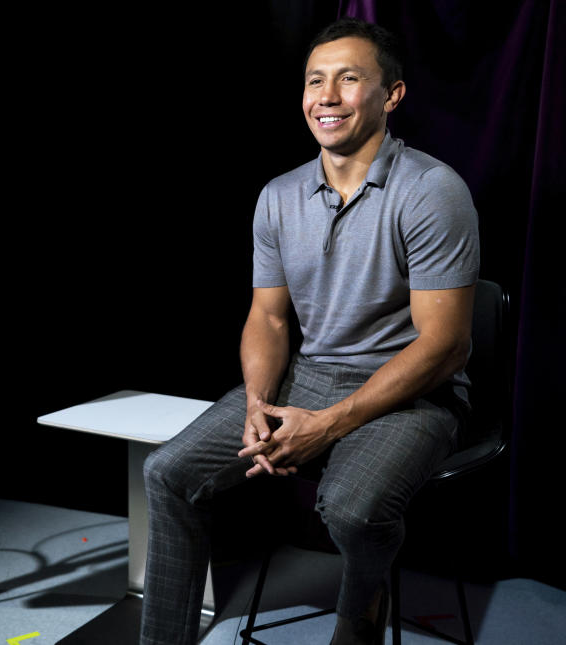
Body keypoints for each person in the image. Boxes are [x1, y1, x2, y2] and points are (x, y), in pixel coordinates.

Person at [141, 17, 479, 645]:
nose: (326, 96)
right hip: (311, 374)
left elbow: (445, 346)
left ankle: (360, 614)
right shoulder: (277, 196)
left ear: (392, 95)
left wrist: (329, 423)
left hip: (415, 390)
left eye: (349, 79)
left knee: (352, 511)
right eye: (314, 80)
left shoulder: (433, 191)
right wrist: (259, 404)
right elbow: (268, 317)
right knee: (167, 474)